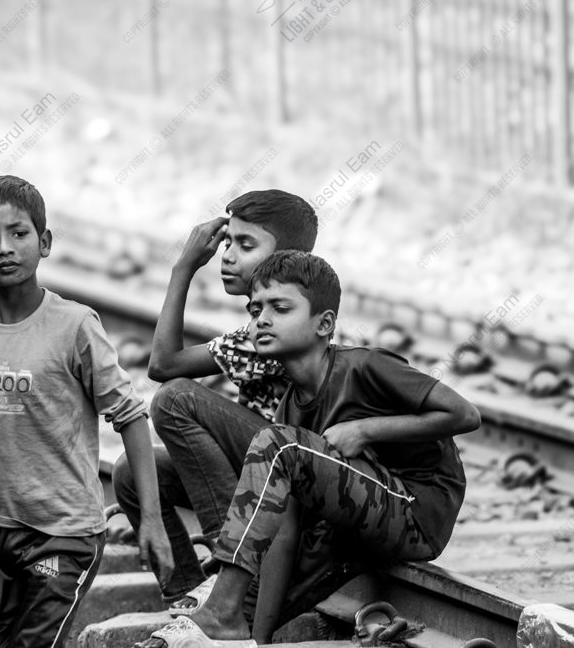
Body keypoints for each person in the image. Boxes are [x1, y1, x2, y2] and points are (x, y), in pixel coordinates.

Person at [142, 251, 481, 647]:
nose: (261, 320)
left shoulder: (364, 367)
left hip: (415, 509)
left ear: (325, 324)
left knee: (274, 443)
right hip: (360, 511)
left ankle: (221, 610)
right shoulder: (291, 405)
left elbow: (464, 414)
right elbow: (284, 528)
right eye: (255, 311)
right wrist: (261, 638)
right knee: (265, 465)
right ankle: (232, 621)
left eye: (279, 308)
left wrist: (366, 430)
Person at [0, 175, 174, 647]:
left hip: (64, 535)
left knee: (34, 642)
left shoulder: (75, 326)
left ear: (45, 242)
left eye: (19, 233)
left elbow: (131, 416)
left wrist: (153, 521)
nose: (5, 248)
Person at [113, 190, 319, 640]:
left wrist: (183, 268)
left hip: (293, 483)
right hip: (267, 474)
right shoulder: (259, 325)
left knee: (174, 400)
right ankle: (188, 590)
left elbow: (163, 368)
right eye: (228, 242)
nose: (227, 256)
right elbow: (163, 363)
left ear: (286, 258)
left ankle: (228, 574)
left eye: (246, 246)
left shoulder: (282, 326)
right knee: (132, 472)